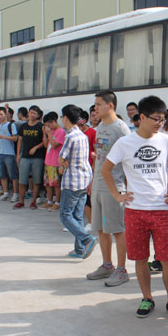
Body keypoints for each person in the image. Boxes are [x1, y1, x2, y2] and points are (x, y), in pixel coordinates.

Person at [104, 95, 168, 319]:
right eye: (155, 119)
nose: (160, 123)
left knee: (167, 258)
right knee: (140, 259)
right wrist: (117, 195)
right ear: (142, 117)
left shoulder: (165, 141)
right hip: (134, 211)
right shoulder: (125, 143)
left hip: (161, 210)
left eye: (162, 119)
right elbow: (106, 169)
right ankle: (147, 298)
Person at [88, 90, 131, 286]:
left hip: (114, 187)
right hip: (98, 184)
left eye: (99, 104)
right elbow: (99, 157)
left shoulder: (121, 129)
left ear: (110, 105)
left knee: (117, 229)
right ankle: (107, 265)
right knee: (100, 228)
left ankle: (122, 270)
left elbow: (130, 160)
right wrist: (92, 180)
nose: (95, 108)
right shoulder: (100, 127)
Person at [57, 104, 96, 259]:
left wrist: (64, 163)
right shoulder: (82, 135)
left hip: (72, 181)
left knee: (65, 215)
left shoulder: (70, 136)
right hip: (84, 179)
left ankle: (87, 239)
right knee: (77, 215)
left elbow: (61, 158)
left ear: (66, 118)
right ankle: (79, 249)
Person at [15, 105, 45, 209]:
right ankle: (21, 201)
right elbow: (20, 140)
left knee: (36, 181)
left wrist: (36, 147)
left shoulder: (41, 126)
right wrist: (18, 154)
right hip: (25, 157)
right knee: (22, 180)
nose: (32, 115)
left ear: (38, 115)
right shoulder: (23, 126)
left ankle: (33, 201)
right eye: (31, 112)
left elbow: (44, 142)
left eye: (34, 113)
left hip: (38, 157)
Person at [0, 106, 19, 203]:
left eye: (1, 114)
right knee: (2, 175)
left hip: (9, 153)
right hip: (0, 153)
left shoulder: (11, 125)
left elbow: (15, 138)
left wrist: (3, 136)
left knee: (13, 175)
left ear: (5, 114)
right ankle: (5, 193)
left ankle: (16, 194)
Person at [42, 112, 66, 210]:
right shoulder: (50, 131)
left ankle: (57, 202)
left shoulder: (61, 132)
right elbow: (45, 145)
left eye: (48, 125)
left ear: (53, 122)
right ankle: (49, 201)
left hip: (56, 161)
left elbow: (55, 145)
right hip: (48, 160)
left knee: (56, 184)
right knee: (48, 183)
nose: (48, 127)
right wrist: (45, 133)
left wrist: (49, 133)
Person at [78, 110, 96, 228]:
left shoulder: (92, 132)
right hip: (78, 168)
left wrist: (94, 167)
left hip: (89, 167)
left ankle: (93, 222)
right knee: (81, 196)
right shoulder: (74, 134)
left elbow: (96, 150)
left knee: (89, 196)